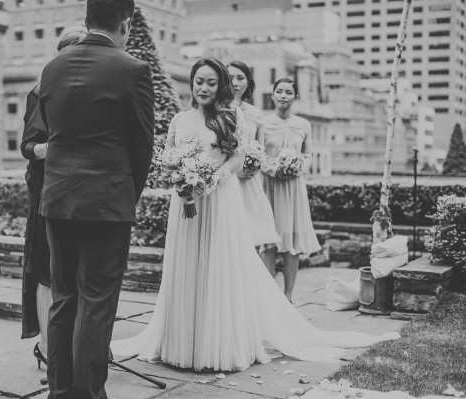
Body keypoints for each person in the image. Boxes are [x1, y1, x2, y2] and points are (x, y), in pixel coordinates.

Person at [111, 58, 399, 373]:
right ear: (192, 85)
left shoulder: (229, 117)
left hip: (219, 202)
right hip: (184, 204)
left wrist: (210, 179)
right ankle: (180, 342)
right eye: (199, 82)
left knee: (217, 268)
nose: (204, 88)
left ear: (219, 85)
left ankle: (215, 344)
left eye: (210, 82)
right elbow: (168, 156)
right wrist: (179, 179)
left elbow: (236, 158)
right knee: (186, 267)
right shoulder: (179, 119)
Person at [38, 0, 154, 397]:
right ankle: (88, 394)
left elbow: (53, 133)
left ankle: (59, 392)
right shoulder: (133, 69)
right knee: (97, 301)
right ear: (126, 22)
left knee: (63, 297)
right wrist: (126, 195)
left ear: (87, 19)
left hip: (57, 199)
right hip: (108, 202)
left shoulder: (52, 68)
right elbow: (142, 149)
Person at [20, 25, 87, 370]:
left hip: (80, 193)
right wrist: (51, 148)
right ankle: (47, 350)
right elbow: (27, 146)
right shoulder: (40, 91)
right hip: (46, 191)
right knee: (46, 270)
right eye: (70, 53)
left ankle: (74, 347)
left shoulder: (90, 92)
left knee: (76, 273)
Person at [261, 78, 321, 303]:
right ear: (273, 95)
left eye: (288, 92)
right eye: (279, 91)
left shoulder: (304, 124)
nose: (284, 95)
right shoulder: (263, 123)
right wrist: (273, 169)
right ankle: (269, 296)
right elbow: (257, 154)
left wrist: (298, 168)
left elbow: (308, 154)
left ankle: (288, 295)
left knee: (292, 241)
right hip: (270, 186)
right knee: (268, 240)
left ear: (295, 97)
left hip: (294, 188)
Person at [227, 60, 279, 270]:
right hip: (228, 178)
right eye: (230, 77)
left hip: (250, 181)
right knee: (230, 235)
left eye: (240, 78)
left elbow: (260, 148)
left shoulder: (256, 114)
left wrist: (256, 165)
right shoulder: (218, 110)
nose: (235, 83)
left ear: (248, 83)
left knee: (255, 234)